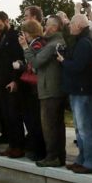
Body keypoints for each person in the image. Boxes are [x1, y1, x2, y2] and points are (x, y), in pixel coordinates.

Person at [59, 14, 92, 173]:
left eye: (71, 23)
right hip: (80, 90)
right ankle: (82, 159)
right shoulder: (84, 40)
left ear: (79, 25)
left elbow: (79, 66)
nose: (69, 26)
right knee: (80, 128)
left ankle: (90, 162)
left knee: (86, 128)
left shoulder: (85, 42)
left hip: (83, 90)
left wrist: (62, 61)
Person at [24, 16, 67, 167]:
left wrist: (25, 48)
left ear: (54, 28)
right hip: (54, 89)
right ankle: (58, 156)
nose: (44, 28)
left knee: (49, 125)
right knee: (57, 125)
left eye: (47, 25)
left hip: (49, 90)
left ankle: (53, 156)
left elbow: (36, 61)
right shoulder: (56, 42)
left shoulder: (52, 44)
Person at [0, 12, 27, 159]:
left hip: (12, 83)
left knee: (14, 116)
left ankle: (18, 146)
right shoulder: (1, 37)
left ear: (7, 21)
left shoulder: (14, 36)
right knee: (7, 116)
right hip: (2, 82)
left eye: (0, 25)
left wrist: (15, 80)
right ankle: (11, 145)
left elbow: (18, 60)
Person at [16, 19, 47, 160]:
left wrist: (24, 48)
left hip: (35, 88)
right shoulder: (37, 43)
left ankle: (38, 150)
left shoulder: (37, 44)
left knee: (35, 121)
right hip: (35, 88)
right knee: (34, 120)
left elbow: (34, 64)